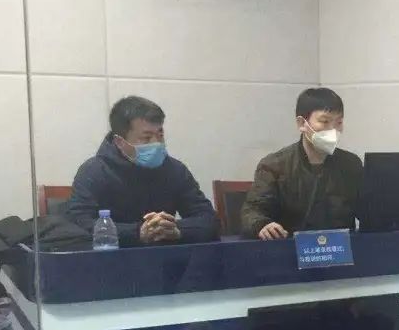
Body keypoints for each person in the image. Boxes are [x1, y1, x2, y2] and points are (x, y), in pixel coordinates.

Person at [66, 96, 218, 246]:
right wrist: (137, 233)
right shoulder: (93, 172)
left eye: (160, 135)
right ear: (120, 142)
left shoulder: (175, 170)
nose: (157, 143)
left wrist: (176, 229)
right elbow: (79, 225)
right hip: (113, 258)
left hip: (167, 257)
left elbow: (208, 219)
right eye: (146, 138)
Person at [240, 87, 362, 240]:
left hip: (340, 249)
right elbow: (253, 211)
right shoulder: (274, 166)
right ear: (301, 123)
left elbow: (368, 211)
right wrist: (262, 225)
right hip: (289, 247)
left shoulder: (351, 164)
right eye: (324, 121)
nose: (333, 129)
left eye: (339, 122)